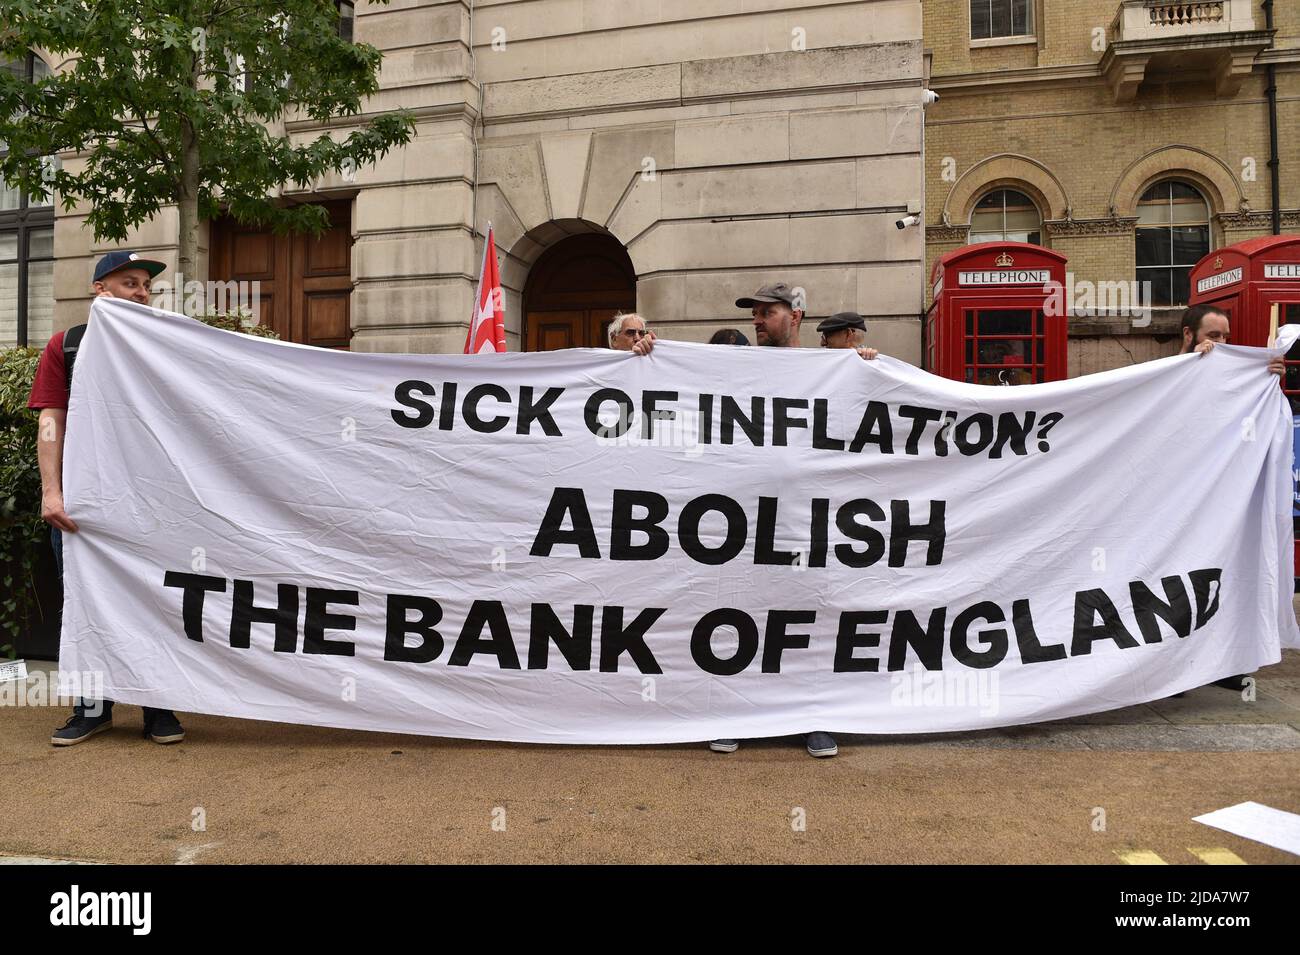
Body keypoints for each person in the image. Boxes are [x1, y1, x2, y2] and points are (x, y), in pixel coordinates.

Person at [709, 285, 881, 759]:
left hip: (808, 522)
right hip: (743, 521)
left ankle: (813, 717)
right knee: (741, 616)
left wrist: (868, 368)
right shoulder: (736, 367)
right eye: (756, 314)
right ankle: (738, 712)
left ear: (797, 316)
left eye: (770, 312)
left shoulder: (830, 369)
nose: (759, 320)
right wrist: (644, 351)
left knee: (808, 618)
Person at [30, 250, 188, 746]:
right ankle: (92, 709)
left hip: (154, 504)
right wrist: (52, 492)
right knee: (87, 600)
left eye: (145, 285)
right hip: (86, 506)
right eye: (129, 283)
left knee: (156, 598)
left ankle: (158, 708)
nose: (141, 292)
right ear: (100, 290)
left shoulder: (170, 343)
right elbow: (52, 419)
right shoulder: (68, 345)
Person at [1179, 304, 1284, 692]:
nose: (1222, 344)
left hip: (1223, 500)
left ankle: (1222, 662)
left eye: (1226, 336)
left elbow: (1266, 428)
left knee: (1222, 577)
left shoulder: (1238, 378)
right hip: (1178, 501)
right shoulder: (1168, 374)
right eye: (1213, 336)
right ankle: (1172, 663)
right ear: (1189, 336)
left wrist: (1268, 382)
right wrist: (1193, 365)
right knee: (1179, 580)